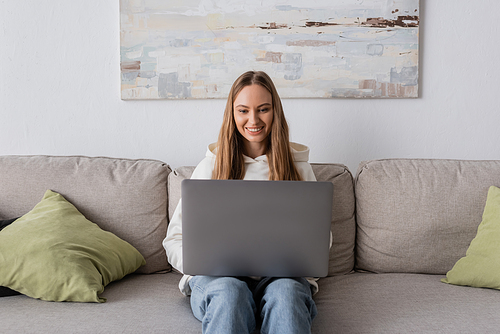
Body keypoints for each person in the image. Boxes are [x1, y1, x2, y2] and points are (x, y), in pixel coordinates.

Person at [163, 71, 321, 334]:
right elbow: (174, 239)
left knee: (286, 294)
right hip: (219, 280)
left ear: (275, 112)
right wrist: (202, 262)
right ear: (232, 114)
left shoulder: (299, 170)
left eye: (263, 109)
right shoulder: (210, 167)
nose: (253, 120)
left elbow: (318, 240)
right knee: (229, 293)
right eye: (243, 110)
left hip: (280, 279)